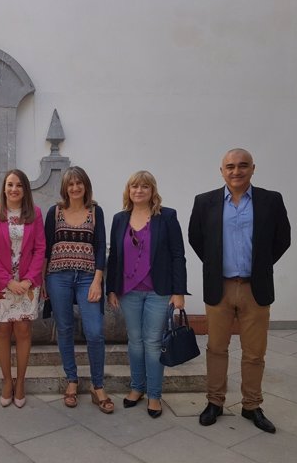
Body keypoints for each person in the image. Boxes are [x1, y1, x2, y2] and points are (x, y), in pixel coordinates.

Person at [188, 148, 290, 434]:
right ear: (221, 171)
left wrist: (260, 266)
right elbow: (197, 238)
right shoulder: (205, 202)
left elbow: (283, 238)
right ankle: (214, 402)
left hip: (254, 288)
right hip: (219, 287)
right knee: (216, 348)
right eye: (230, 166)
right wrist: (214, 265)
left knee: (254, 352)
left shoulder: (271, 201)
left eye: (242, 166)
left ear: (253, 169)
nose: (236, 171)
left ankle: (252, 405)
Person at [106, 170, 188, 418]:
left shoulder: (167, 217)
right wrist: (111, 288)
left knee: (153, 344)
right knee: (135, 341)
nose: (138, 191)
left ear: (153, 191)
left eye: (144, 186)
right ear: (128, 191)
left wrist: (179, 291)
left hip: (158, 291)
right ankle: (136, 388)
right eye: (134, 187)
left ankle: (154, 394)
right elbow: (115, 258)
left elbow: (178, 255)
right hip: (129, 292)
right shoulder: (120, 219)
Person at [43, 166, 113, 413]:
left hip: (87, 278)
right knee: (64, 329)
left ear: (85, 185)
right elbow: (46, 249)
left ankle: (97, 385)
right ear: (65, 188)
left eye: (79, 183)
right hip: (58, 276)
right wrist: (43, 282)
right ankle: (72, 380)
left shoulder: (96, 211)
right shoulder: (55, 212)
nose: (75, 188)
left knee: (94, 332)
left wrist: (97, 281)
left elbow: (101, 247)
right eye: (70, 184)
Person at [0, 169, 46, 408]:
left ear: (25, 189)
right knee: (1, 332)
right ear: (4, 188)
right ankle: (7, 380)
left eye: (18, 185)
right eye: (10, 184)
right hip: (1, 285)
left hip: (27, 285)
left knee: (23, 331)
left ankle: (21, 382)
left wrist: (28, 280)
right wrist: (9, 281)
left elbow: (40, 250)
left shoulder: (35, 214)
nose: (14, 189)